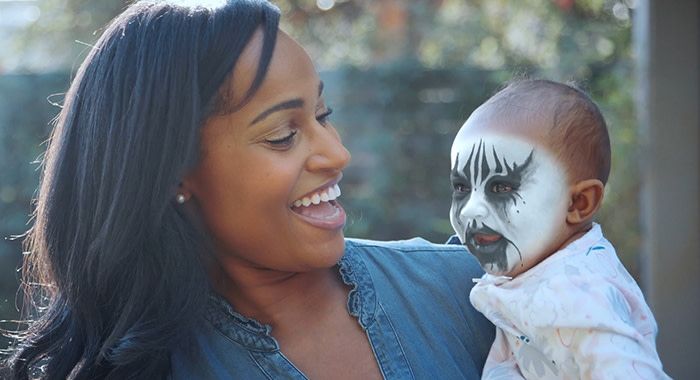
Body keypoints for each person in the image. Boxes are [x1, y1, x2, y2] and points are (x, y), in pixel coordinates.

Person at [3, 1, 494, 378]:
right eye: (283, 135)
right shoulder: (136, 365)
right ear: (174, 172)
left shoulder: (474, 294)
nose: (337, 154)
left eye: (323, 115)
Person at [447, 79, 669, 379]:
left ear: (577, 203)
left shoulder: (579, 291)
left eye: (501, 187)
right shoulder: (540, 270)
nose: (471, 209)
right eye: (461, 187)